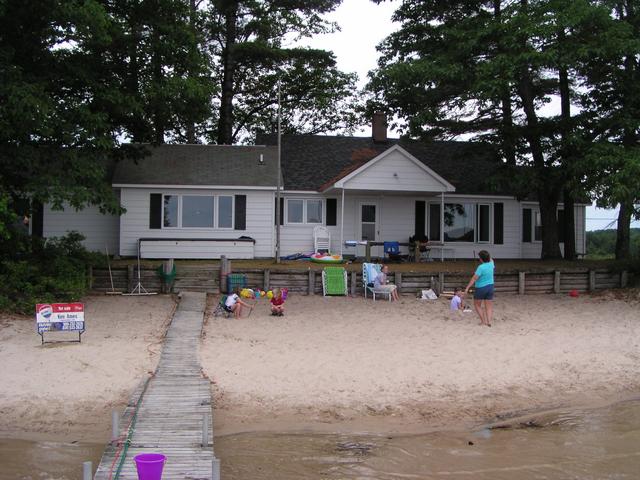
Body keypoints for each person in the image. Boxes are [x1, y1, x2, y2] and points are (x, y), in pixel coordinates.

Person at [464, 250, 494, 326]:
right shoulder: (491, 264)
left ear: (481, 259)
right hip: (490, 287)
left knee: (477, 305)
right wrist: (486, 255)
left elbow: (474, 278)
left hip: (481, 288)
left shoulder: (481, 267)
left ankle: (483, 321)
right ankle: (489, 322)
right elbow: (491, 259)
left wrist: (467, 288)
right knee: (489, 306)